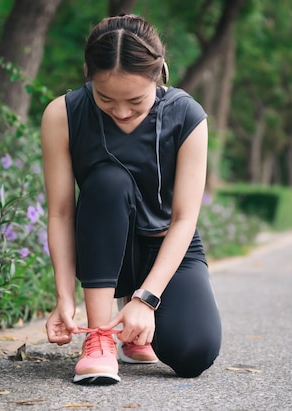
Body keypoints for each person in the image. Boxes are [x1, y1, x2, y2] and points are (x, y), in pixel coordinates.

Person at [40, 14, 222, 385]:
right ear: (88, 72)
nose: (121, 112)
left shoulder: (187, 116)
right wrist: (63, 298)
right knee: (108, 179)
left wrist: (147, 299)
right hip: (104, 244)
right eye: (105, 98)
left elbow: (186, 218)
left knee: (194, 353)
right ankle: (100, 336)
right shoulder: (63, 114)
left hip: (165, 248)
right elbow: (60, 213)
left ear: (159, 75)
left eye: (135, 101)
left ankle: (132, 321)